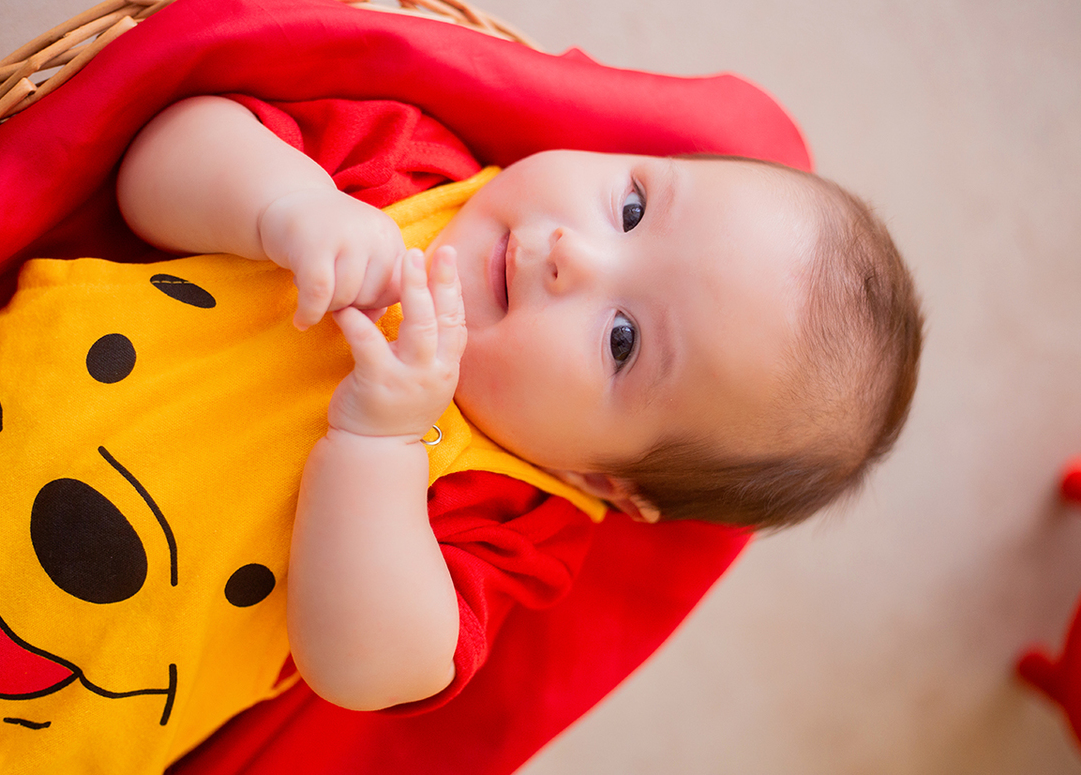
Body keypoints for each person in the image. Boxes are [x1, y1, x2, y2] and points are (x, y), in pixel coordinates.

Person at [115, 94, 924, 714]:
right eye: (632, 209)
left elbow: (366, 671)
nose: (576, 255)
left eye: (622, 341)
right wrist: (286, 207)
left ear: (601, 480)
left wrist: (379, 447)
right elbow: (151, 164)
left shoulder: (509, 520)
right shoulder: (405, 170)